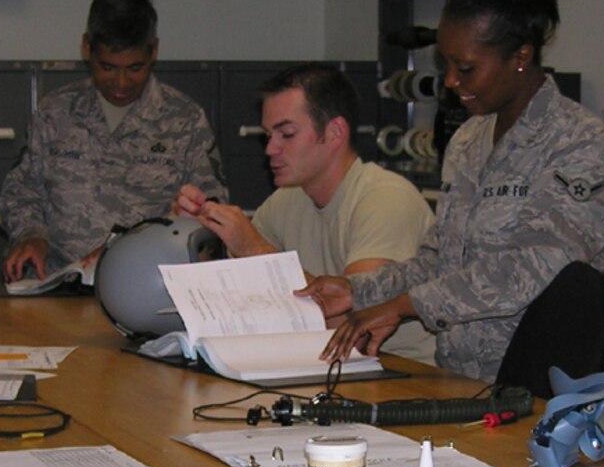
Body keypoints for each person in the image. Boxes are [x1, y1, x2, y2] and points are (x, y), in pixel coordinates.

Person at [301, 0, 604, 381]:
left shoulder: (579, 142)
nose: (451, 81)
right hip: (461, 377)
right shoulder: (469, 140)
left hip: (541, 382)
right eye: (446, 65)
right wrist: (357, 291)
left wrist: (404, 307)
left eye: (466, 68)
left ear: (520, 56)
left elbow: (531, 270)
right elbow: (441, 261)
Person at [172, 61, 437, 363]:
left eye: (286, 134)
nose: (270, 149)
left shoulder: (386, 200)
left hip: (398, 368)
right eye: (268, 135)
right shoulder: (288, 199)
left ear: (335, 132)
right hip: (326, 361)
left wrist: (254, 249)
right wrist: (196, 232)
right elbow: (235, 293)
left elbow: (354, 332)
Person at [0, 0, 226, 283]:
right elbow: (20, 191)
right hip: (60, 283)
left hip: (147, 286)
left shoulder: (185, 120)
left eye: (135, 68)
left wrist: (124, 249)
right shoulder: (55, 113)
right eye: (107, 67)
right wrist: (30, 234)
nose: (121, 82)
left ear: (154, 51)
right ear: (86, 48)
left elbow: (210, 214)